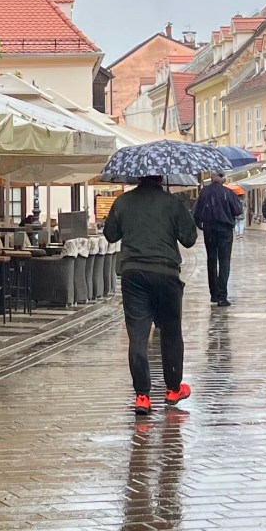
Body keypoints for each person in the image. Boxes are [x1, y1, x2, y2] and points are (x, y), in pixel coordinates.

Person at [103, 176, 198, 416]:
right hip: (165, 272)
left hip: (133, 273)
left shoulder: (123, 201)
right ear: (161, 178)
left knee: (137, 334)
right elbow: (189, 239)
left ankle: (142, 396)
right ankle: (173, 388)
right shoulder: (173, 203)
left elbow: (110, 234)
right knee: (171, 332)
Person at [194, 172, 242, 307]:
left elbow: (196, 212)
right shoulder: (228, 192)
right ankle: (222, 296)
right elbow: (238, 210)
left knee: (211, 260)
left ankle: (214, 294)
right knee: (224, 262)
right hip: (225, 230)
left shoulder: (204, 192)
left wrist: (200, 225)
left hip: (209, 229)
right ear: (222, 178)